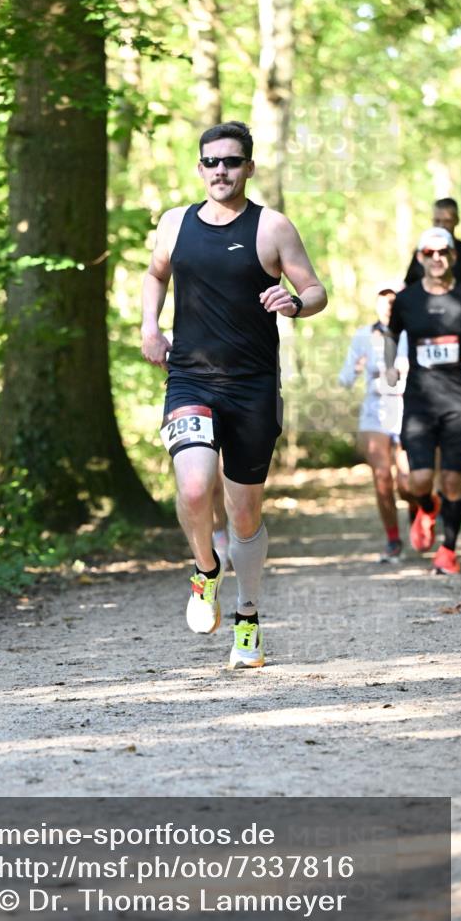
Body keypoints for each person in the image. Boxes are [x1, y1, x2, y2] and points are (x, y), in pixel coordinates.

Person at [141, 120, 327, 669]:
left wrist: (295, 302)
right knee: (195, 486)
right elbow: (155, 275)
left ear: (248, 167)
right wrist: (150, 327)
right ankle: (206, 570)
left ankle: (247, 618)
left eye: (231, 161)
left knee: (244, 514)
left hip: (252, 386)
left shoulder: (272, 227)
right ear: (200, 167)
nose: (220, 170)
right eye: (211, 161)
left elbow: (315, 290)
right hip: (190, 378)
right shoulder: (175, 223)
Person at [386, 226, 461, 574]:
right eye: (429, 253)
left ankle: (447, 551)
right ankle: (427, 505)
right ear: (420, 258)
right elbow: (391, 334)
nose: (436, 258)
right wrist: (389, 365)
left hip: (459, 401)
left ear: (453, 256)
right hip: (420, 401)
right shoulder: (406, 300)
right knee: (417, 481)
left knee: (452, 481)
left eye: (442, 252)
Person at [339, 284, 417, 562]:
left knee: (408, 483)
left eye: (392, 300)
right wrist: (356, 367)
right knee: (382, 477)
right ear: (376, 304)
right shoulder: (363, 335)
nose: (388, 305)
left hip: (406, 408)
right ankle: (393, 539)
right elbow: (344, 379)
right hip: (375, 411)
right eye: (383, 300)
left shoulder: (411, 332)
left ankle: (419, 509)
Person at [405, 198, 461, 285]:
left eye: (447, 221)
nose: (441, 226)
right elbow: (409, 285)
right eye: (437, 221)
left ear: (456, 220)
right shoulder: (423, 252)